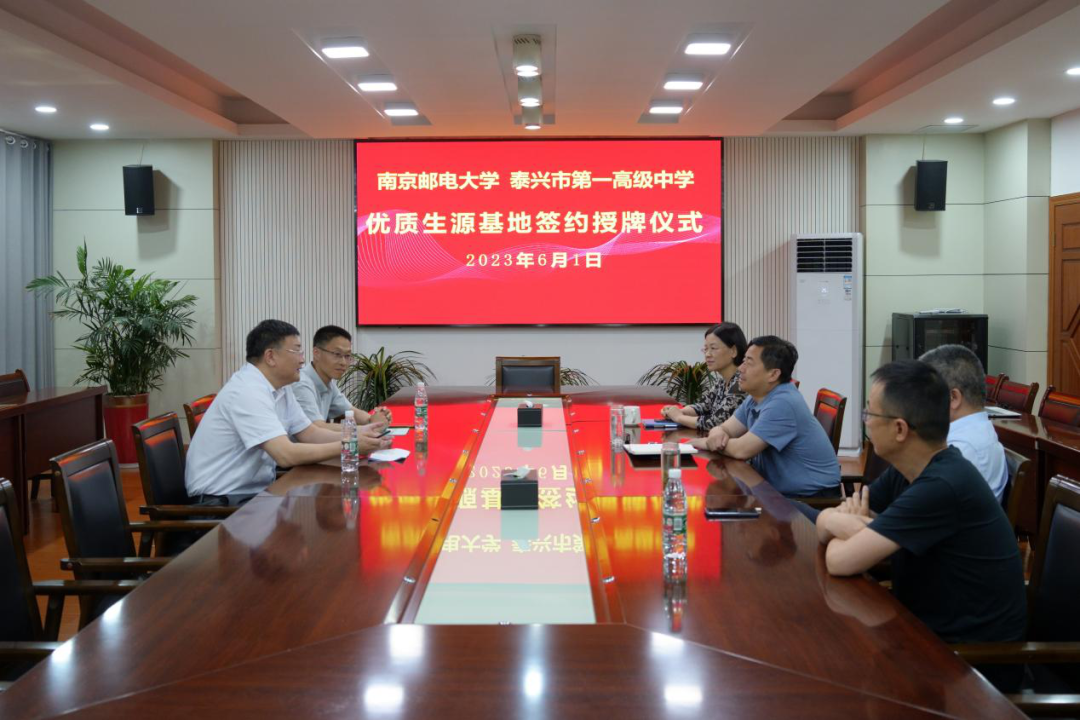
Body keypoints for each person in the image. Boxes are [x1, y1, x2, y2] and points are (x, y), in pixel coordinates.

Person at [815, 360, 1026, 648]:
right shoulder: (907, 470)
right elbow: (827, 523)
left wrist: (844, 527)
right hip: (921, 631)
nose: (866, 421)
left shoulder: (943, 485)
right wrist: (837, 522)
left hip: (965, 661)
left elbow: (839, 561)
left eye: (869, 413)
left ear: (900, 429)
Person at [185, 319, 391, 504]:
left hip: (255, 494)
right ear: (270, 356)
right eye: (297, 352)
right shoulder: (247, 392)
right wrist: (350, 445)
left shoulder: (281, 388)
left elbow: (310, 433)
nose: (302, 360)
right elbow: (285, 455)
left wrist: (363, 433)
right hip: (220, 503)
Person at [690, 336, 840, 498]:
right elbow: (726, 428)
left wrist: (706, 443)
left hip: (809, 498)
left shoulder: (783, 403)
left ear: (773, 374)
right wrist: (717, 432)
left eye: (749, 362)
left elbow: (741, 450)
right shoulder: (756, 396)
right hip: (774, 490)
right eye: (743, 361)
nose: (740, 368)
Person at [919, 344, 1008, 501]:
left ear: (953, 398)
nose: (919, 405)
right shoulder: (968, 435)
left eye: (924, 395)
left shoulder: (965, 448)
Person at [293, 325, 392, 430]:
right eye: (337, 354)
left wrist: (375, 419)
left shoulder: (328, 382)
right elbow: (316, 428)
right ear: (316, 353)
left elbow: (352, 412)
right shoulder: (301, 383)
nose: (343, 363)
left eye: (347, 356)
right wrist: (369, 427)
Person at [661, 322, 748, 431]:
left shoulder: (742, 382)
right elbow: (703, 406)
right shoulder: (722, 382)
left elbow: (717, 422)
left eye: (713, 348)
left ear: (733, 351)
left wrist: (679, 417)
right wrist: (676, 411)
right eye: (706, 349)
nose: (707, 354)